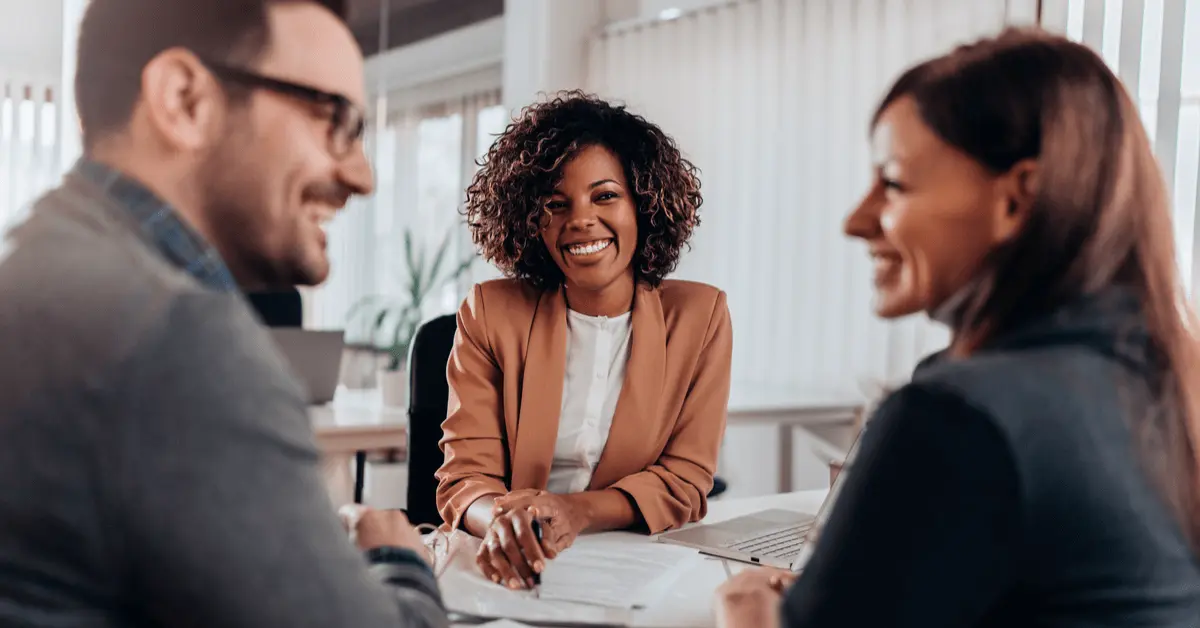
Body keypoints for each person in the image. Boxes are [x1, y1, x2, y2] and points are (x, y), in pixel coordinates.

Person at [715, 28, 1200, 628]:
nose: (855, 220)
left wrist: (751, 615)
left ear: (1016, 200)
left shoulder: (958, 418)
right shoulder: (1167, 383)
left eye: (892, 182)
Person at [0, 1, 447, 626]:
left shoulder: (37, 262)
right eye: (333, 120)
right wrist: (403, 565)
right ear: (184, 100)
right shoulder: (173, 336)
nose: (361, 174)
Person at [437, 92, 732, 590]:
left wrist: (573, 512)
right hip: (504, 565)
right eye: (556, 203)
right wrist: (505, 525)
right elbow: (466, 479)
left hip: (631, 565)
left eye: (605, 195)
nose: (579, 220)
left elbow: (684, 481)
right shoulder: (489, 312)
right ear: (531, 220)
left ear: (644, 203)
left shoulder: (700, 317)